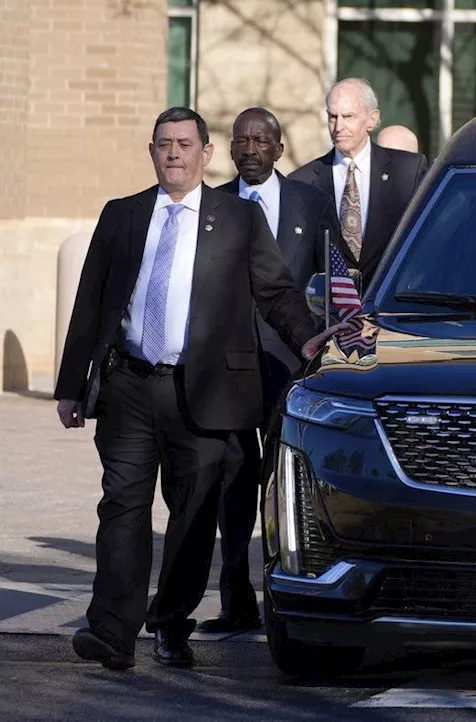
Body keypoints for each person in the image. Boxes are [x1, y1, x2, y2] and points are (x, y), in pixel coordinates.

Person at [55, 107, 349, 671]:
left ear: (205, 153)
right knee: (122, 506)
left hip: (206, 393)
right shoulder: (122, 215)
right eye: (164, 144)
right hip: (130, 388)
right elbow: (90, 301)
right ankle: (112, 632)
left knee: (192, 515)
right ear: (151, 150)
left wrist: (309, 340)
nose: (174, 154)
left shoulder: (236, 218)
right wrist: (72, 386)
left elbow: (277, 290)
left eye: (185, 144)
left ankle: (170, 622)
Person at [199, 107, 340, 634]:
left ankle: (286, 601)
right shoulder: (213, 207)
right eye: (242, 140)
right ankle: (235, 602)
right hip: (229, 370)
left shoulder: (310, 203)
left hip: (289, 368)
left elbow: (338, 275)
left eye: (262, 140)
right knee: (231, 486)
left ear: (280, 150)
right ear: (230, 149)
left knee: (282, 486)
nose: (251, 148)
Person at [290, 78, 428, 285]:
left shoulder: (407, 172)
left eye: (348, 116)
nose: (338, 126)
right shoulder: (303, 181)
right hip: (329, 311)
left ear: (372, 120)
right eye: (332, 117)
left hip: (390, 307)